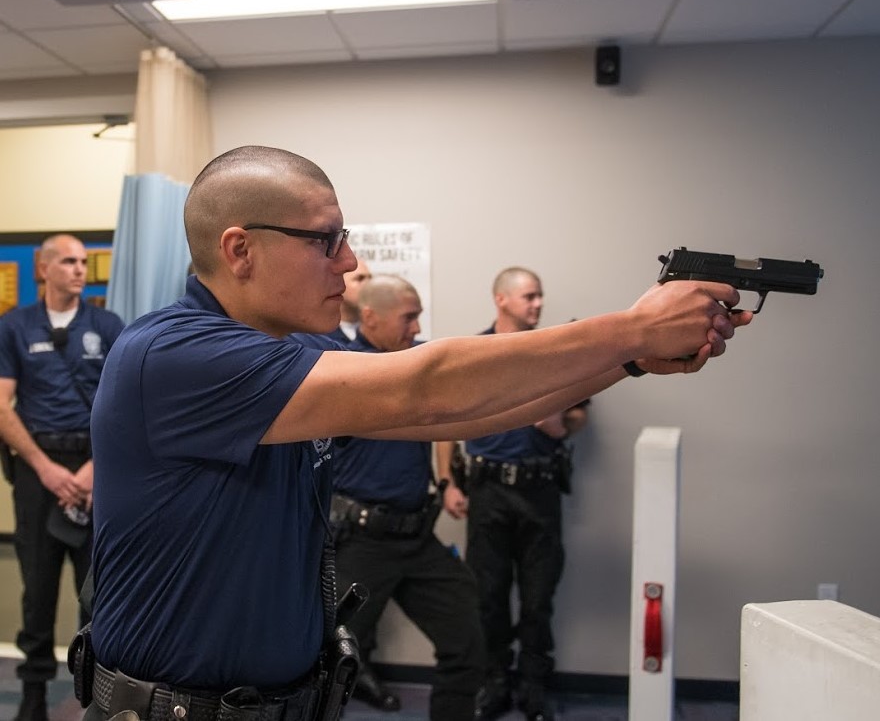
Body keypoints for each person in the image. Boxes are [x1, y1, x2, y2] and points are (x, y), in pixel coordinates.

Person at [85, 145, 750, 721]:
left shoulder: (281, 364)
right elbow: (427, 386)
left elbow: (461, 413)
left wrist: (626, 362)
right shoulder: (174, 356)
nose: (348, 263)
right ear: (241, 250)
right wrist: (631, 329)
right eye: (326, 240)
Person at [311, 275, 484, 720]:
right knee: (326, 665)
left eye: (419, 316)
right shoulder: (344, 365)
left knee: (465, 636)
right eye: (409, 317)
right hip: (362, 542)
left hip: (416, 535)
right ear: (370, 316)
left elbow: (459, 398)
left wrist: (447, 478)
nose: (416, 326)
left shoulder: (417, 358)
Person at [438, 267, 589, 721]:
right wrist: (448, 483)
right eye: (529, 296)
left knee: (539, 597)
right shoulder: (473, 353)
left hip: (540, 491)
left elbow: (580, 416)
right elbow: (445, 425)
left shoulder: (560, 352)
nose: (538, 304)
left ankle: (534, 686)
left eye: (540, 296)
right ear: (501, 300)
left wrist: (560, 423)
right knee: (488, 595)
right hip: (487, 493)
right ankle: (495, 682)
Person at [0, 234, 124, 721]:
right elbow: (3, 406)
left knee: (97, 589)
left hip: (98, 469)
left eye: (82, 262)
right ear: (43, 269)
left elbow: (121, 404)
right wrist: (46, 469)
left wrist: (93, 469)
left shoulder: (107, 325)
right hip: (38, 469)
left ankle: (92, 695)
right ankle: (33, 696)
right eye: (68, 262)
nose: (79, 270)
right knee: (38, 585)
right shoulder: (14, 326)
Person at [333, 256, 372, 341]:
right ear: (337, 283)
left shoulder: (380, 331)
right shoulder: (318, 335)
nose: (369, 285)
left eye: (370, 278)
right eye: (360, 279)